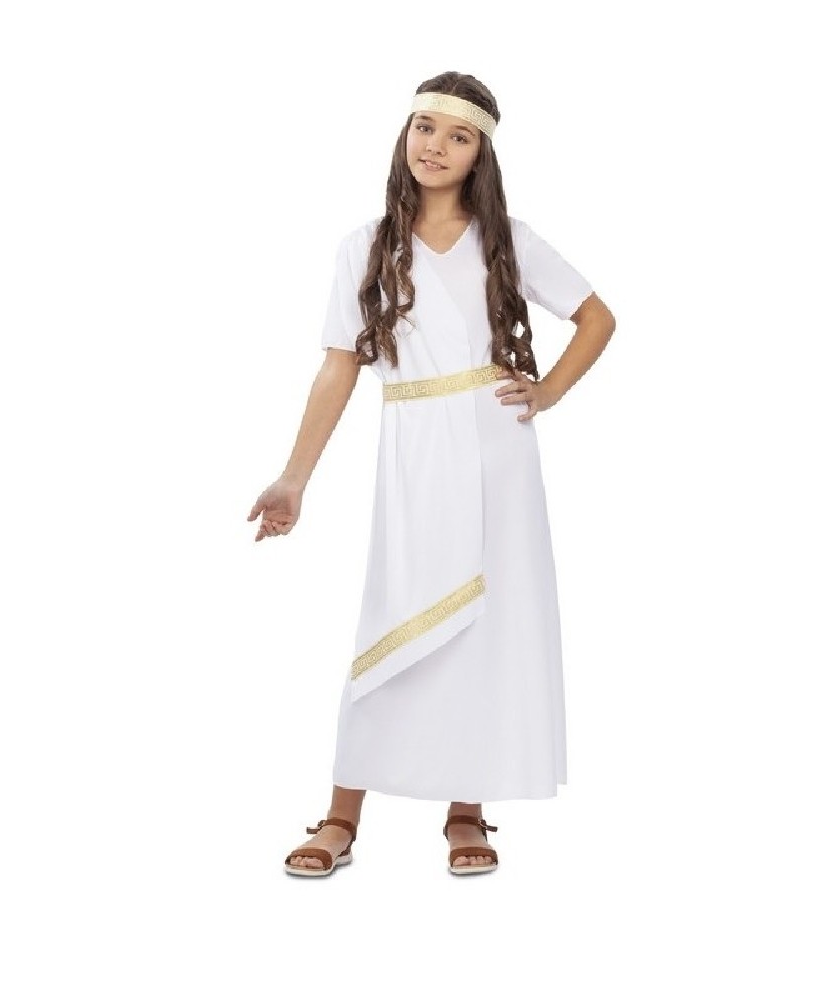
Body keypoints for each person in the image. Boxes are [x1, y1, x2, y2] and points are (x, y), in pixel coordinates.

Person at [247, 72, 616, 877]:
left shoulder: (507, 239)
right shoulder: (367, 245)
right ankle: (340, 817)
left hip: (496, 450)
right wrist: (293, 479)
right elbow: (339, 367)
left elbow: (597, 317)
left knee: (484, 625)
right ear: (404, 135)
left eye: (458, 136)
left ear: (481, 154)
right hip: (414, 446)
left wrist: (548, 391)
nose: (436, 146)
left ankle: (466, 811)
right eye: (424, 127)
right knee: (395, 614)